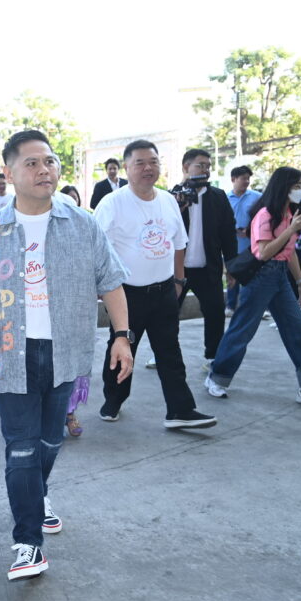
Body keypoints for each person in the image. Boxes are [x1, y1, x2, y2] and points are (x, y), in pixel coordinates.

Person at [0, 130, 132, 581]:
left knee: (50, 441)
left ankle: (37, 492)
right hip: (8, 354)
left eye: (48, 161)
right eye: (31, 163)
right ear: (9, 173)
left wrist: (121, 336)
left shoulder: (82, 224)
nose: (43, 170)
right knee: (21, 447)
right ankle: (28, 543)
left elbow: (111, 282)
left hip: (65, 351)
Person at [93, 140, 216, 429]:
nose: (148, 168)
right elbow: (96, 249)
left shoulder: (168, 200)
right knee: (122, 348)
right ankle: (114, 399)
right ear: (126, 167)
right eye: (140, 163)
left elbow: (179, 243)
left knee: (170, 351)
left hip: (164, 291)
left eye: (153, 162)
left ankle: (180, 410)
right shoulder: (112, 203)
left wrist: (178, 280)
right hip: (127, 295)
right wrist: (101, 288)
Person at [206, 167, 301, 405]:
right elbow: (263, 252)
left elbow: (289, 253)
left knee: (297, 330)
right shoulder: (265, 214)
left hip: (280, 276)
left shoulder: (290, 214)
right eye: (296, 186)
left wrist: (300, 283)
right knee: (242, 330)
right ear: (283, 187)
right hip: (261, 276)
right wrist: (291, 229)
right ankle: (217, 377)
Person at [174, 149, 237, 371]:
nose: (205, 170)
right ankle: (162, 353)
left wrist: (231, 266)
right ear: (186, 167)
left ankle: (213, 356)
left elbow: (228, 233)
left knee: (215, 312)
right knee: (168, 314)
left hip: (208, 268)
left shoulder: (218, 197)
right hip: (177, 270)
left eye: (208, 166)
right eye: (200, 165)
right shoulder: (172, 196)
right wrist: (179, 205)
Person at [226, 166, 262, 315]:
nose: (246, 181)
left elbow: (262, 218)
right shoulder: (225, 198)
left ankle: (257, 307)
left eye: (248, 178)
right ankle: (230, 305)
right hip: (232, 245)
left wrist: (249, 230)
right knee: (232, 274)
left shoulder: (257, 197)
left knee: (253, 276)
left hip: (251, 245)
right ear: (233, 179)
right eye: (243, 178)